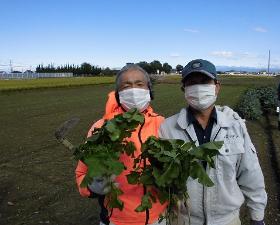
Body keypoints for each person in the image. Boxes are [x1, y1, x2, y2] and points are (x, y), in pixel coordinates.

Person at [159, 59, 267, 225]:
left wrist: (257, 215)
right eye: (192, 83)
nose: (199, 88)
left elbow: (250, 172)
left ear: (217, 86)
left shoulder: (234, 126)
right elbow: (161, 179)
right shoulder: (167, 128)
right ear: (184, 89)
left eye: (204, 82)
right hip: (183, 219)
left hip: (227, 220)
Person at [75, 64, 167, 225]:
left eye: (139, 84)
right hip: (117, 220)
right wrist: (93, 187)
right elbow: (82, 175)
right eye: (126, 85)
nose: (133, 90)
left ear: (149, 91)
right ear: (118, 94)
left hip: (159, 218)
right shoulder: (101, 128)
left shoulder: (163, 124)